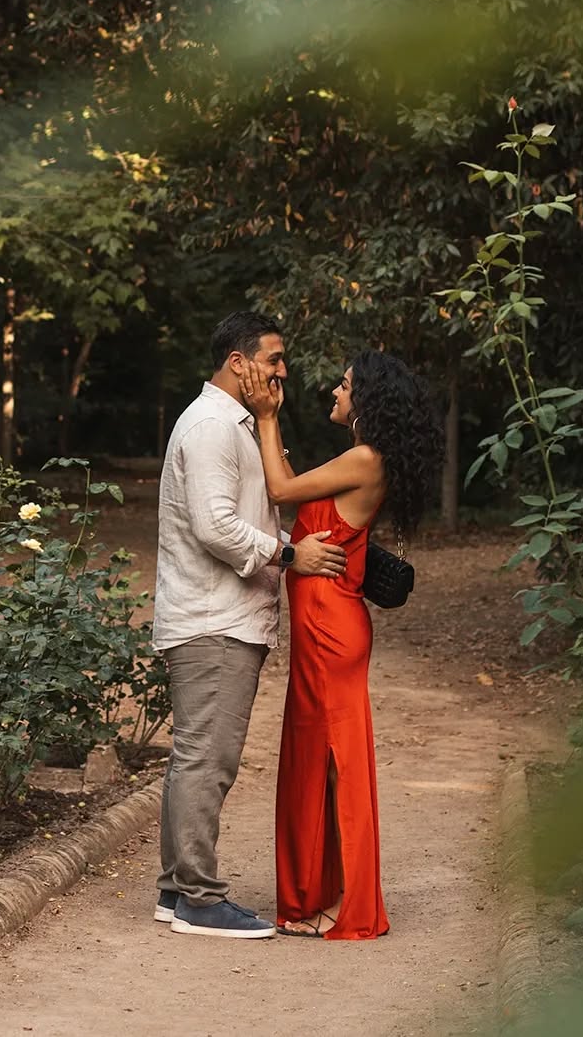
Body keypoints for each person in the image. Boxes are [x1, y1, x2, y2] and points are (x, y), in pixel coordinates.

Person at [152, 311, 348, 940]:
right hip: (213, 620)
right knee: (207, 761)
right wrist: (290, 554)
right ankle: (199, 899)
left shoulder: (234, 423)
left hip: (221, 617)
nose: (283, 372)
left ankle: (175, 890)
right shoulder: (211, 427)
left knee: (196, 758)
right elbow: (216, 527)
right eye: (273, 360)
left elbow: (253, 508)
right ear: (238, 362)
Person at [241, 349, 442, 940]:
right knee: (318, 758)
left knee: (336, 763)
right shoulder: (361, 457)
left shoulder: (363, 458)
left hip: (331, 627)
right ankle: (319, 894)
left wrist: (267, 415)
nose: (335, 390)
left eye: (346, 385)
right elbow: (295, 487)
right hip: (325, 625)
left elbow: (280, 488)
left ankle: (350, 905)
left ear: (367, 400)